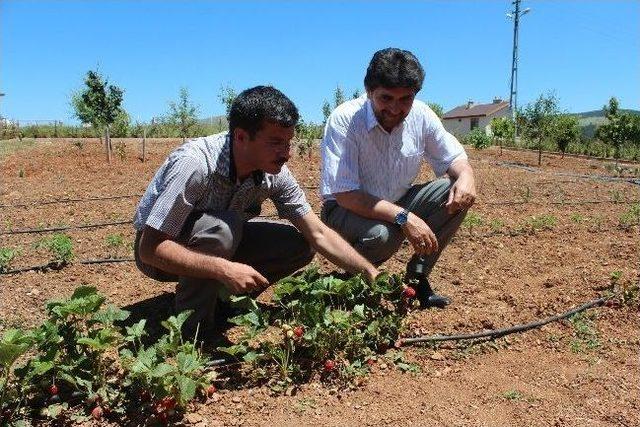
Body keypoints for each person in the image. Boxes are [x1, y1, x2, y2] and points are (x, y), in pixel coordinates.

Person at [134, 86, 378, 338]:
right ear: (241, 137)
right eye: (275, 142)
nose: (286, 153)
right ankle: (193, 331)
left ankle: (224, 303)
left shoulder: (275, 173)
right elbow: (150, 249)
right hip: (161, 256)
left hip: (220, 244)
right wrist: (224, 269)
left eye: (288, 142)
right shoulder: (195, 164)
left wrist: (370, 272)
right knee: (220, 230)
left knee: (298, 244)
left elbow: (318, 233)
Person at [320, 48, 476, 308]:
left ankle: (417, 279)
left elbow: (453, 160)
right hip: (344, 210)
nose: (395, 108)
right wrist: (404, 218)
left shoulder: (422, 115)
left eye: (405, 99)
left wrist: (467, 175)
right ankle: (352, 283)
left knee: (454, 190)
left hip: (396, 201)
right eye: (386, 98)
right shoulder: (345, 120)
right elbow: (346, 194)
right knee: (384, 235)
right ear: (369, 91)